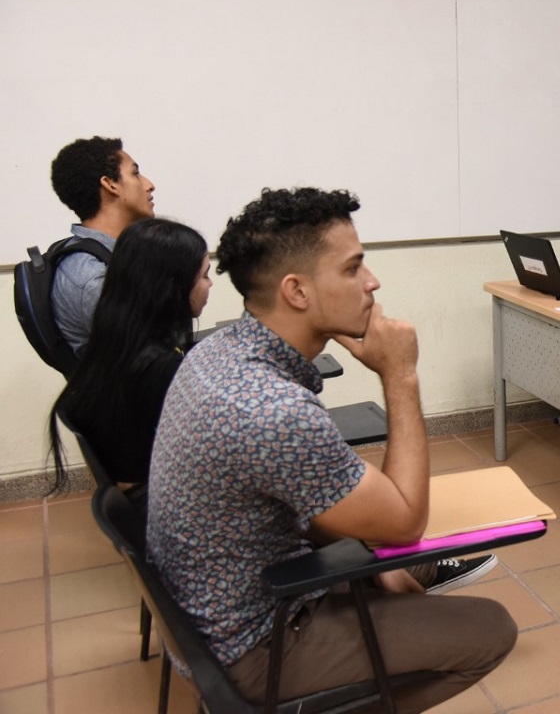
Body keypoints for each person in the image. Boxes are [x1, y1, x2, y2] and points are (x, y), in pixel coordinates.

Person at [146, 187, 514, 711]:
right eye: (352, 269)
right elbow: (405, 520)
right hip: (253, 644)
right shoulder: (272, 410)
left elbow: (294, 500)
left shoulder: (217, 352)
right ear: (297, 291)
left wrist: (366, 562)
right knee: (490, 629)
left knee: (406, 566)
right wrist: (401, 374)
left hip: (212, 614)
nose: (372, 282)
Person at [47, 219, 211, 496]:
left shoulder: (114, 346)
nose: (210, 284)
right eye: (205, 275)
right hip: (163, 508)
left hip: (140, 497)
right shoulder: (159, 369)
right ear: (173, 286)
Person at [49, 136, 157, 354]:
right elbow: (146, 356)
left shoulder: (116, 257)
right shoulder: (92, 277)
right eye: (135, 173)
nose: (149, 185)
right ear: (110, 184)